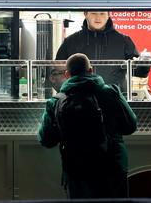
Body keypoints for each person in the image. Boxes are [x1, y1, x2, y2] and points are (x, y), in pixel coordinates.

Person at [38, 53, 138, 199]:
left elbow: (46, 140)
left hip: (77, 170)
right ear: (91, 70)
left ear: (67, 74)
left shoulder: (56, 101)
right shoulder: (111, 92)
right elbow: (130, 126)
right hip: (112, 167)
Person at [51, 11, 150, 91]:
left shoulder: (124, 41)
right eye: (94, 13)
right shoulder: (71, 41)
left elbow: (138, 73)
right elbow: (56, 73)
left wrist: (144, 64)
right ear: (85, 14)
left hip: (113, 102)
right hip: (80, 103)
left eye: (102, 13)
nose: (98, 17)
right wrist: (67, 94)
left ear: (108, 15)